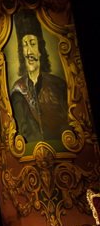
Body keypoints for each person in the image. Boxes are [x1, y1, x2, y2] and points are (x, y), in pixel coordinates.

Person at [9, 9, 70, 144]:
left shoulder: (58, 85)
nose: (28, 52)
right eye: (24, 45)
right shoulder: (17, 91)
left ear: (40, 50)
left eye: (32, 44)